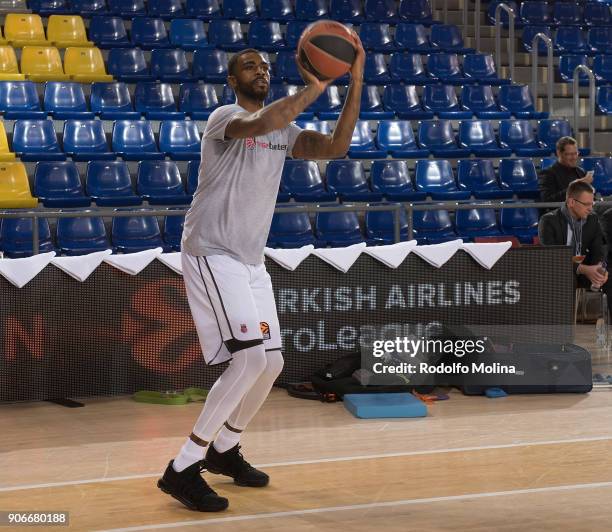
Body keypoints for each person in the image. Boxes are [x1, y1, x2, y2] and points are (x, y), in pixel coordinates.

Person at [157, 40, 365, 512]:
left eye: (265, 65)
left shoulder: (285, 131)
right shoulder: (225, 119)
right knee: (248, 360)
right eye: (249, 66)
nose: (260, 70)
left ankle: (225, 448)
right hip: (212, 251)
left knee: (270, 363)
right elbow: (264, 121)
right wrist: (316, 86)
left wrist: (355, 81)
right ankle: (183, 466)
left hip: (251, 261)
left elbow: (336, 147)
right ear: (233, 80)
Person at [538, 180, 611, 314]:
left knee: (609, 274)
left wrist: (599, 268)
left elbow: (598, 249)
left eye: (592, 203)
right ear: (571, 202)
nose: (591, 208)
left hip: (585, 267)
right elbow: (552, 256)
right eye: (587, 204)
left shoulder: (592, 219)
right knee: (567, 276)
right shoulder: (548, 221)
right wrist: (582, 269)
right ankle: (564, 327)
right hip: (558, 269)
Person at [539, 136, 593, 203]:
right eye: (569, 154)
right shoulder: (548, 173)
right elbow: (547, 201)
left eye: (575, 153)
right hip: (562, 211)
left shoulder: (581, 172)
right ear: (559, 153)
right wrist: (575, 187)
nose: (574, 157)